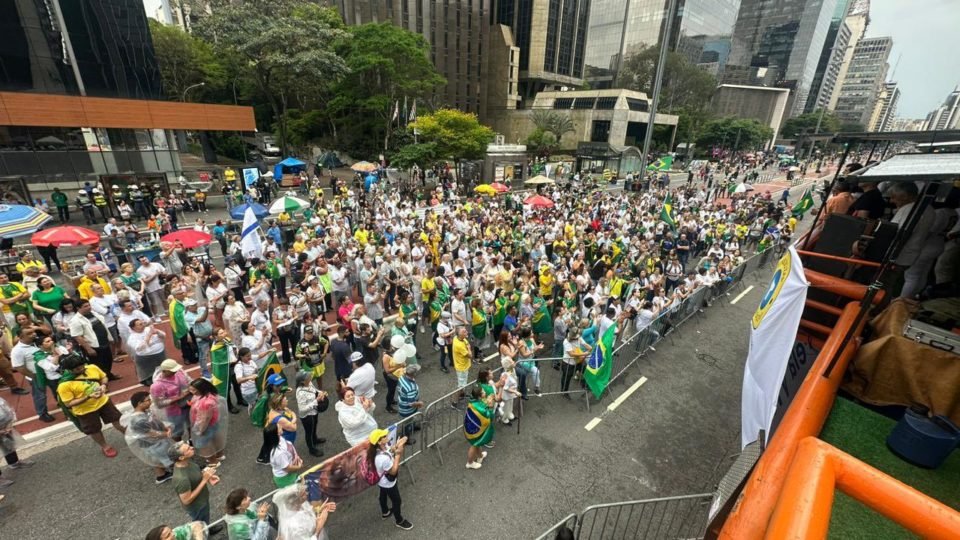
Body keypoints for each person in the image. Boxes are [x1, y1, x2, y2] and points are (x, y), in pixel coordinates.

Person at [56, 354, 126, 457]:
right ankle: (105, 446)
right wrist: (88, 397)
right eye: (77, 368)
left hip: (103, 401)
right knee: (94, 430)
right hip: (85, 411)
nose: (82, 369)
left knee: (117, 420)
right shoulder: (64, 385)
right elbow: (68, 403)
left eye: (82, 365)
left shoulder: (92, 367)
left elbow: (104, 377)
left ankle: (130, 436)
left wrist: (103, 385)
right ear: (69, 370)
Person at [168, 440, 223, 533]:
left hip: (202, 500)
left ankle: (208, 527)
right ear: (181, 457)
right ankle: (204, 533)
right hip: (197, 506)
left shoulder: (187, 462)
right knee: (199, 523)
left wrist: (207, 477)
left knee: (205, 518)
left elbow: (196, 473)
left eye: (189, 446)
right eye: (188, 449)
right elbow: (186, 500)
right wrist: (205, 480)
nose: (192, 447)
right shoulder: (181, 479)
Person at [122, 391, 176, 484]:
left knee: (156, 459)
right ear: (140, 403)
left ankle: (161, 476)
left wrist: (165, 427)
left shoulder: (144, 412)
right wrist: (166, 434)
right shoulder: (139, 420)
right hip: (153, 444)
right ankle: (177, 472)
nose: (150, 402)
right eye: (148, 400)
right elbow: (151, 434)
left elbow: (155, 422)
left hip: (153, 443)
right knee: (167, 457)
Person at [368, 428, 414, 530]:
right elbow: (393, 471)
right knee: (397, 501)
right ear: (379, 442)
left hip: (381, 481)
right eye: (384, 436)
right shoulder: (382, 459)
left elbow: (389, 450)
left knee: (383, 494)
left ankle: (385, 512)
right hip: (388, 482)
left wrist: (398, 445)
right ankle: (399, 520)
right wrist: (398, 455)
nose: (386, 436)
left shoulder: (379, 449)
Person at [187, 378, 227, 465]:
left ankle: (213, 462)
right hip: (213, 423)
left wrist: (199, 431)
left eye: (193, 389)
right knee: (215, 437)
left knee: (204, 444)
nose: (191, 391)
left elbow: (204, 419)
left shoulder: (205, 403)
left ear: (201, 389)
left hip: (206, 426)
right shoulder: (210, 395)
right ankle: (219, 455)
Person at [150, 359, 191, 441]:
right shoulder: (157, 386)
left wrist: (191, 388)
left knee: (191, 425)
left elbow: (189, 381)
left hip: (188, 404)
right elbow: (159, 404)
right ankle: (180, 447)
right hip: (174, 411)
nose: (175, 372)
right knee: (176, 431)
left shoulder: (180, 372)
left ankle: (191, 441)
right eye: (172, 371)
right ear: (164, 371)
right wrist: (179, 397)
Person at [0, 396, 33, 489]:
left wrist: (9, 424)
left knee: (8, 445)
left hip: (4, 426)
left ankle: (14, 463)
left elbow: (6, 407)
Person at [296, 370, 328, 457]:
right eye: (308, 377)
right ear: (302, 381)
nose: (310, 377)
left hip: (314, 411)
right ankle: (311, 449)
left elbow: (314, 390)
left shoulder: (309, 383)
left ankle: (315, 439)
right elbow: (302, 409)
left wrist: (320, 392)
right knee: (309, 432)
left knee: (314, 426)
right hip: (307, 416)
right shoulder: (300, 393)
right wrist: (316, 401)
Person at [128, 318, 166, 386]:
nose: (143, 325)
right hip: (146, 359)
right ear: (134, 328)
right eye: (140, 324)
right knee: (150, 380)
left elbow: (163, 336)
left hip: (160, 354)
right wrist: (149, 335)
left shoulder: (149, 329)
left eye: (142, 323)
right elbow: (139, 348)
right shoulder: (132, 338)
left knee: (166, 371)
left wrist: (157, 332)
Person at [464, 385, 495, 470]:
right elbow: (490, 417)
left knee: (478, 443)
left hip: (471, 427)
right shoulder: (480, 408)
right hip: (475, 430)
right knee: (474, 445)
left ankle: (480, 456)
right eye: (483, 392)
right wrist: (491, 406)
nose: (485, 392)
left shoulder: (473, 401)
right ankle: (469, 463)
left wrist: (486, 403)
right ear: (479, 395)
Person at [396, 364, 422, 444]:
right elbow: (411, 403)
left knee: (411, 419)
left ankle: (413, 427)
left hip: (402, 404)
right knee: (407, 423)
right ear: (414, 374)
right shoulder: (410, 387)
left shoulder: (401, 377)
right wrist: (419, 403)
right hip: (407, 409)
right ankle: (406, 438)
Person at [452, 326, 473, 400]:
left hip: (463, 365)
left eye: (465, 331)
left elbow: (466, 343)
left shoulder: (456, 338)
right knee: (461, 386)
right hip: (462, 368)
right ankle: (454, 402)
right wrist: (469, 348)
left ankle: (462, 395)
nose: (466, 332)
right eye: (464, 332)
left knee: (463, 384)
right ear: (459, 334)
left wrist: (467, 345)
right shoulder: (460, 346)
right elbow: (470, 355)